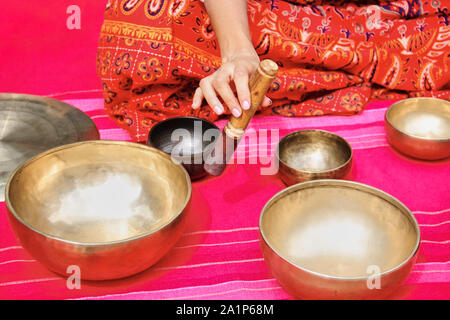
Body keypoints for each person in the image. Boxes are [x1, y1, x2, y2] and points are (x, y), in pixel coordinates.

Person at [97, 0, 449, 142]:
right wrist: (238, 51)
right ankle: (315, 66)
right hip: (261, 11)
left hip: (379, 13)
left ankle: (326, 64)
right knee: (144, 18)